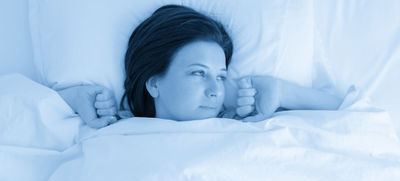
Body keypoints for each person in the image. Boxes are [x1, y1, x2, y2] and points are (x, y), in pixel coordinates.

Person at [58, 5, 341, 127]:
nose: (214, 90)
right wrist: (71, 98)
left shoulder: (247, 124)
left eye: (220, 77)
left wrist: (281, 92)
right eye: (198, 73)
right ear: (154, 82)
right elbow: (19, 120)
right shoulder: (113, 128)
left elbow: (351, 116)